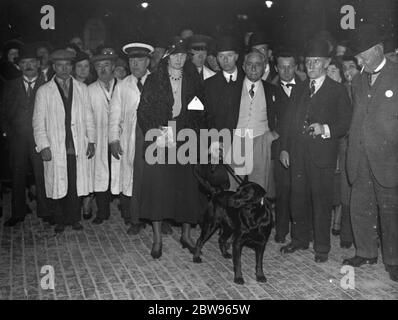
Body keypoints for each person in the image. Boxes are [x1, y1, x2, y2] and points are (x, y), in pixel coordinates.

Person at [279, 39, 352, 263]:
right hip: (298, 154)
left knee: (321, 202)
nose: (311, 66)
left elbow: (345, 123)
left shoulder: (337, 90)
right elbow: (289, 122)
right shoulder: (300, 87)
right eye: (308, 62)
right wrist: (284, 148)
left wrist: (325, 128)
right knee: (298, 199)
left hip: (322, 157)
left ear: (326, 63)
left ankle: (322, 247)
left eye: (316, 62)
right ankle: (300, 239)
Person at [137, 37, 207, 259]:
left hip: (185, 137)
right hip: (160, 136)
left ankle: (186, 235)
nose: (179, 59)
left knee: (187, 186)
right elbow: (143, 112)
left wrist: (193, 134)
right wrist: (156, 132)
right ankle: (157, 239)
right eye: (175, 55)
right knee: (158, 188)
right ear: (167, 57)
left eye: (183, 55)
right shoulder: (154, 81)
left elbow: (200, 112)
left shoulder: (193, 79)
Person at [344, 24, 398, 282]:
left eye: (362, 54)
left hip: (388, 158)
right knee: (360, 207)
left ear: (378, 50)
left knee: (391, 212)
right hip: (360, 156)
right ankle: (365, 252)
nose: (358, 60)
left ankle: (394, 260)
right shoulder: (356, 79)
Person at [32, 49, 96, 233]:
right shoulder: (44, 91)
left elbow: (89, 116)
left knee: (75, 182)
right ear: (54, 67)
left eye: (67, 65)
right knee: (59, 183)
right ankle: (60, 219)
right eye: (59, 65)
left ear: (72, 67)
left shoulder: (82, 88)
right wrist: (43, 145)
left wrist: (91, 140)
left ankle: (74, 218)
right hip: (56, 144)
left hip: (76, 144)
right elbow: (38, 122)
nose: (64, 69)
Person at [2, 44, 52, 226]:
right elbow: (3, 111)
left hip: (40, 139)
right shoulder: (11, 86)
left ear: (38, 64)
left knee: (42, 174)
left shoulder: (47, 85)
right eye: (24, 63)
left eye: (32, 62)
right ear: (19, 66)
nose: (28, 66)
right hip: (17, 138)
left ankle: (45, 211)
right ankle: (18, 212)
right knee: (17, 175)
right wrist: (7, 132)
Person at [108, 42, 153, 229]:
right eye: (132, 60)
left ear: (148, 61)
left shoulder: (158, 81)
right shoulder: (122, 86)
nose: (135, 64)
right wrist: (113, 140)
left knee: (153, 179)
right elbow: (114, 115)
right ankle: (134, 219)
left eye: (140, 60)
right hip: (130, 139)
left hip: (153, 138)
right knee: (131, 180)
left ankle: (155, 218)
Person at [272, 47, 306, 243]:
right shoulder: (270, 88)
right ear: (276, 68)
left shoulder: (306, 86)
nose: (286, 71)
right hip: (280, 146)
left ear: (296, 67)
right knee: (283, 189)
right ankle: (281, 229)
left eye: (290, 67)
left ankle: (301, 231)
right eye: (282, 67)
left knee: (301, 190)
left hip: (301, 146)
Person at [88, 50, 119, 224]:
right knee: (101, 175)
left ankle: (127, 213)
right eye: (99, 66)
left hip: (119, 139)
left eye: (106, 65)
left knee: (121, 173)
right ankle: (102, 211)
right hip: (99, 140)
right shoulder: (89, 90)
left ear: (113, 67)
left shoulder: (122, 86)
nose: (103, 69)